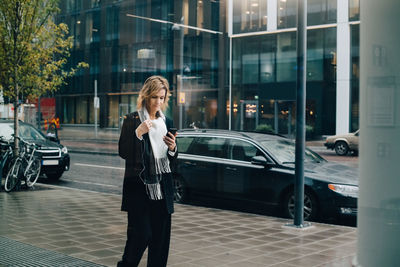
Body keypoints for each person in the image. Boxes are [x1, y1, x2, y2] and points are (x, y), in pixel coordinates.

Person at [117, 76, 177, 267]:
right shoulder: (132, 120)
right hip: (139, 190)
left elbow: (173, 160)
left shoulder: (167, 121)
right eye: (154, 97)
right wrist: (138, 133)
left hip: (162, 189)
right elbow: (123, 152)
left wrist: (173, 148)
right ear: (145, 96)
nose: (158, 102)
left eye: (161, 98)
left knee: (159, 243)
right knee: (140, 236)